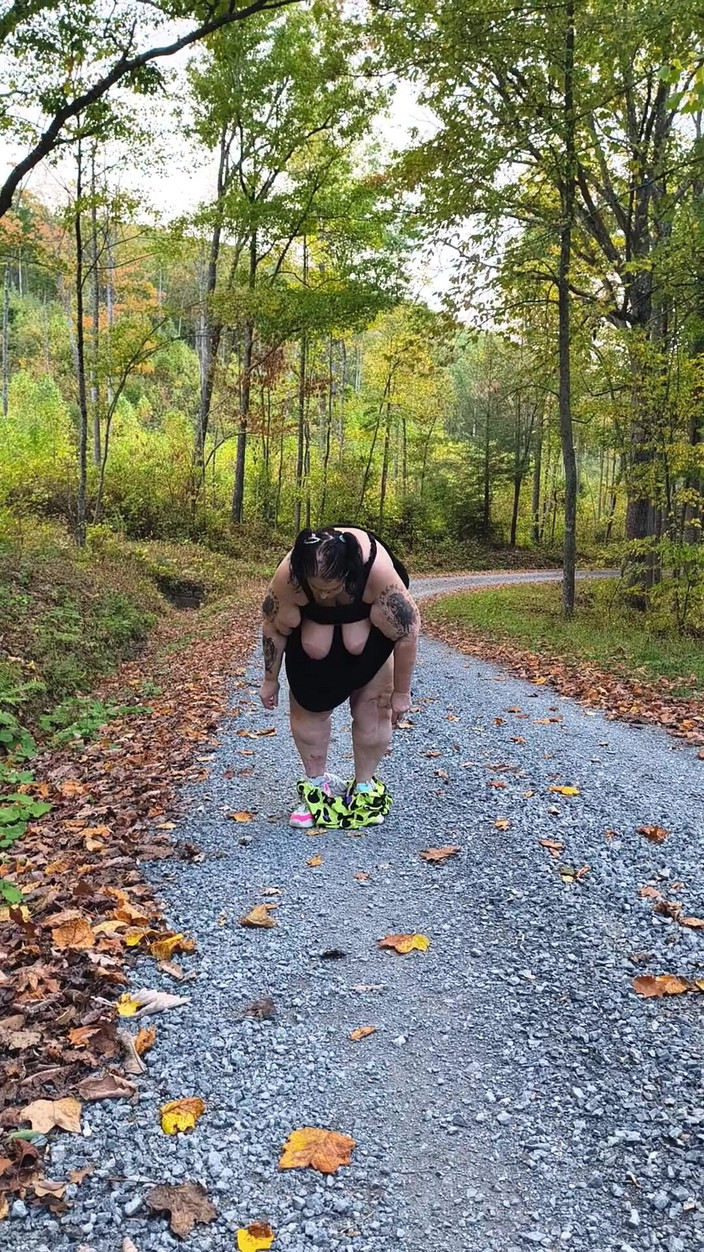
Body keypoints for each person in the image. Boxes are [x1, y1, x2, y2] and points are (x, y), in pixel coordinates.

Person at [259, 525, 420, 829]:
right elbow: (273, 627)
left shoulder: (378, 573)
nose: (321, 594)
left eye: (330, 588)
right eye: (315, 586)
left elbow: (407, 633)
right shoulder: (289, 576)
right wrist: (270, 679)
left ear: (349, 570)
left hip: (369, 645)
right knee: (308, 712)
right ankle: (317, 785)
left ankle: (364, 785)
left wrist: (401, 692)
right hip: (311, 656)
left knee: (374, 709)